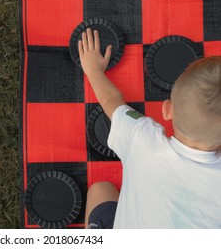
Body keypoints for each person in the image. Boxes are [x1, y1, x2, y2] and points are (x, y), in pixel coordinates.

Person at [79, 28, 221, 228]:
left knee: (100, 190)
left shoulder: (142, 140)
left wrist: (93, 70)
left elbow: (110, 99)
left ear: (167, 110)